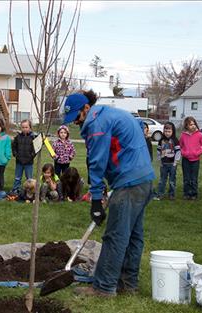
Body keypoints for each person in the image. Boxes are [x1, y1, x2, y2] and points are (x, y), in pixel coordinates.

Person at [63, 89, 154, 297]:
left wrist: (96, 200)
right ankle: (128, 284)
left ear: (86, 108)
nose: (75, 122)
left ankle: (104, 287)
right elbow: (138, 128)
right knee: (133, 236)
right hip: (143, 178)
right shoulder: (111, 113)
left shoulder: (97, 124)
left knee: (116, 235)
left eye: (76, 116)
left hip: (129, 183)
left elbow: (97, 163)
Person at [179, 116, 202, 200]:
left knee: (194, 178)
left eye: (194, 124)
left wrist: (197, 153)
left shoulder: (199, 135)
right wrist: (184, 153)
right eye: (191, 124)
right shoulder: (183, 135)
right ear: (186, 126)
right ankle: (187, 193)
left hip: (195, 160)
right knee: (186, 178)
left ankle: (194, 194)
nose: (193, 126)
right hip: (186, 160)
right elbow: (179, 147)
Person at [154, 122, 181, 201]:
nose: (167, 133)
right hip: (164, 164)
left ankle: (171, 195)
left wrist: (175, 162)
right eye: (165, 131)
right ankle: (160, 194)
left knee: (172, 181)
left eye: (169, 131)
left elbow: (178, 152)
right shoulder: (161, 140)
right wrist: (160, 161)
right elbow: (158, 151)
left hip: (172, 164)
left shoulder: (175, 140)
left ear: (172, 131)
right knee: (162, 180)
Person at [11, 119, 36, 193]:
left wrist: (32, 156)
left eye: (26, 127)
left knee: (29, 178)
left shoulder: (33, 137)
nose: (24, 129)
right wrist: (15, 154)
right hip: (19, 161)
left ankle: (30, 190)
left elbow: (35, 149)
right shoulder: (18, 137)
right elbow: (13, 146)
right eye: (23, 127)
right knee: (17, 177)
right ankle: (16, 189)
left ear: (30, 128)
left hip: (29, 162)